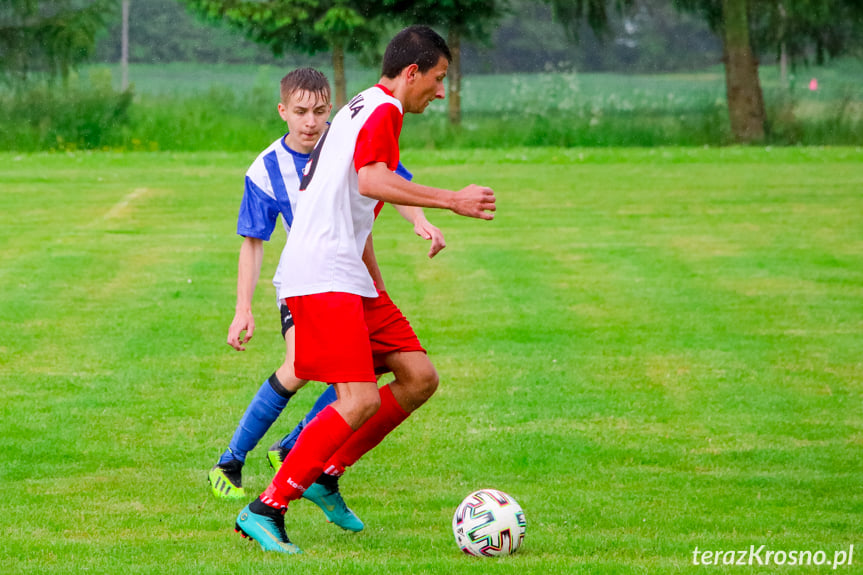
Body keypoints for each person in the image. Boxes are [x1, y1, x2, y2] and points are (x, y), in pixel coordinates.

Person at [234, 25, 496, 554]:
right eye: (438, 78)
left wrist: (373, 285)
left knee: (419, 376)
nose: (440, 91)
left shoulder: (359, 106)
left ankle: (325, 474)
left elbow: (352, 207)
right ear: (411, 73)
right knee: (354, 399)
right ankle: (266, 508)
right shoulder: (383, 111)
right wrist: (452, 199)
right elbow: (371, 182)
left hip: (346, 274)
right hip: (321, 274)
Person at [208, 68, 446, 532]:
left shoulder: (343, 135)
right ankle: (236, 461)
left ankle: (307, 459)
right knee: (308, 373)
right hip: (310, 280)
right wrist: (243, 308)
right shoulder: (266, 168)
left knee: (390, 377)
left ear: (332, 110)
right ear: (283, 111)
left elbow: (385, 182)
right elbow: (253, 241)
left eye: (320, 111)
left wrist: (416, 221)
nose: (311, 121)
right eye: (300, 112)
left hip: (347, 277)